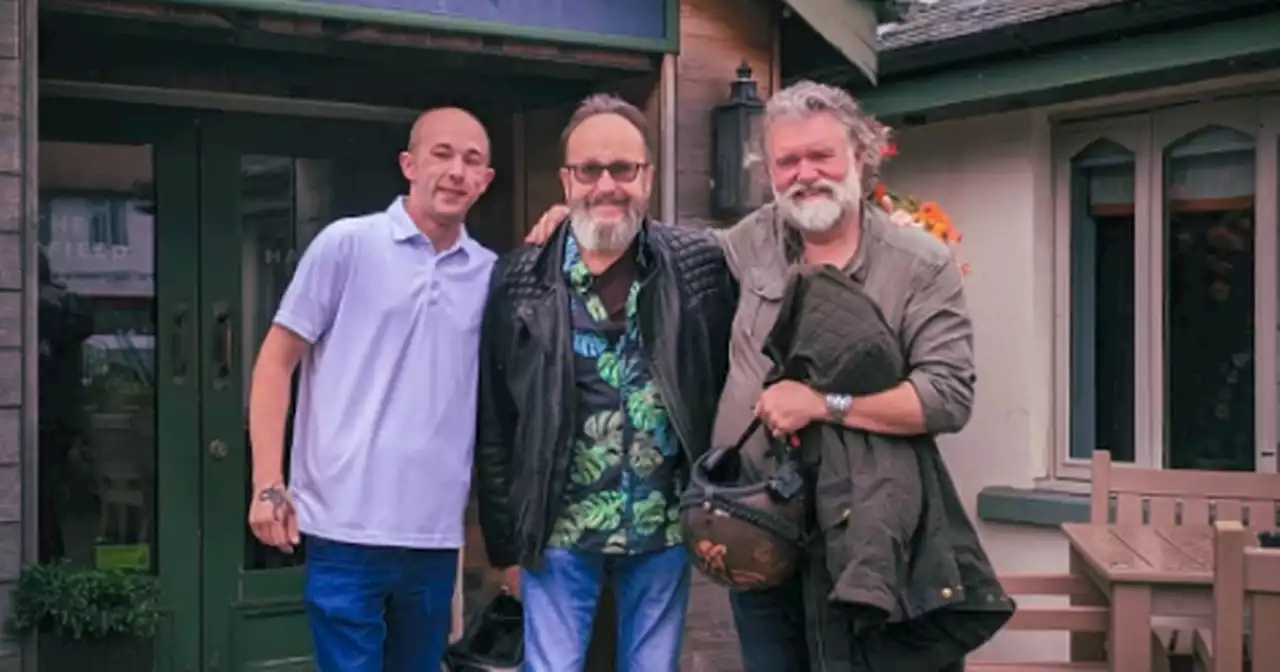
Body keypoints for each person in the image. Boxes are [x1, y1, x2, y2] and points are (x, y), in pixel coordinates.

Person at [525, 81, 1011, 670]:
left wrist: (822, 404)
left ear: (861, 154)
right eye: (788, 160)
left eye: (821, 155)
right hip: (760, 530)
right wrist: (578, 216)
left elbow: (947, 397)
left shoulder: (918, 263)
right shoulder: (751, 242)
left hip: (871, 537)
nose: (805, 173)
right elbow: (657, 250)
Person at [474, 93, 736, 672]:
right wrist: (505, 547)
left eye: (623, 169)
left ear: (648, 176)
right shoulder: (518, 276)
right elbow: (497, 422)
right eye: (589, 169)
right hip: (557, 530)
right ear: (566, 180)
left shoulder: (699, 265)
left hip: (663, 526)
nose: (607, 185)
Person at [246, 107, 497, 672]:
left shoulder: (492, 276)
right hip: (342, 530)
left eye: (472, 160)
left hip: (433, 537)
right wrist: (268, 483)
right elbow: (274, 364)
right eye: (442, 154)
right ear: (408, 164)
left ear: (486, 181)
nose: (456, 171)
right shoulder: (347, 245)